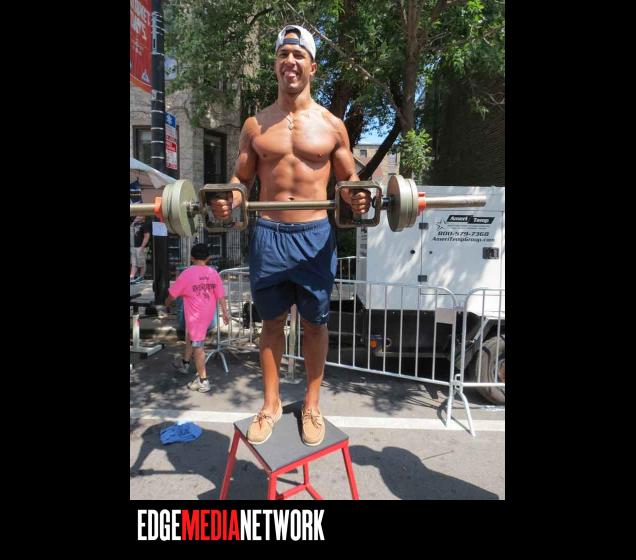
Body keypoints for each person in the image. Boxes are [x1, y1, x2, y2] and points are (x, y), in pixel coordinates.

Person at [209, 25, 371, 445]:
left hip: (315, 236)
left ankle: (312, 405)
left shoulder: (332, 126)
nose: (290, 62)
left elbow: (349, 180)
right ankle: (271, 404)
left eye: (299, 55)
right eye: (284, 54)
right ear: (276, 65)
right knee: (271, 323)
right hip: (270, 236)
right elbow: (241, 181)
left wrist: (358, 198)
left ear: (312, 67)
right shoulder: (255, 125)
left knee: (315, 325)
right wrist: (229, 201)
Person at [165, 243, 230, 393]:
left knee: (198, 346)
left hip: (196, 316)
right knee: (190, 335)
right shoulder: (213, 273)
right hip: (208, 315)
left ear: (192, 258)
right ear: (208, 258)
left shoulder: (186, 274)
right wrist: (225, 313)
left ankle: (203, 381)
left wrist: (166, 303)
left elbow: (172, 295)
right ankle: (185, 363)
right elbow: (221, 295)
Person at [130, 215, 151, 283]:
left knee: (142, 263)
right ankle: (132, 277)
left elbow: (147, 236)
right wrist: (134, 221)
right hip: (134, 246)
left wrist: (142, 246)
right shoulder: (134, 224)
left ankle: (141, 277)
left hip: (141, 247)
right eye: (137, 215)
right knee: (134, 263)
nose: (138, 216)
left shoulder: (145, 225)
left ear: (144, 216)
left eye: (140, 215)